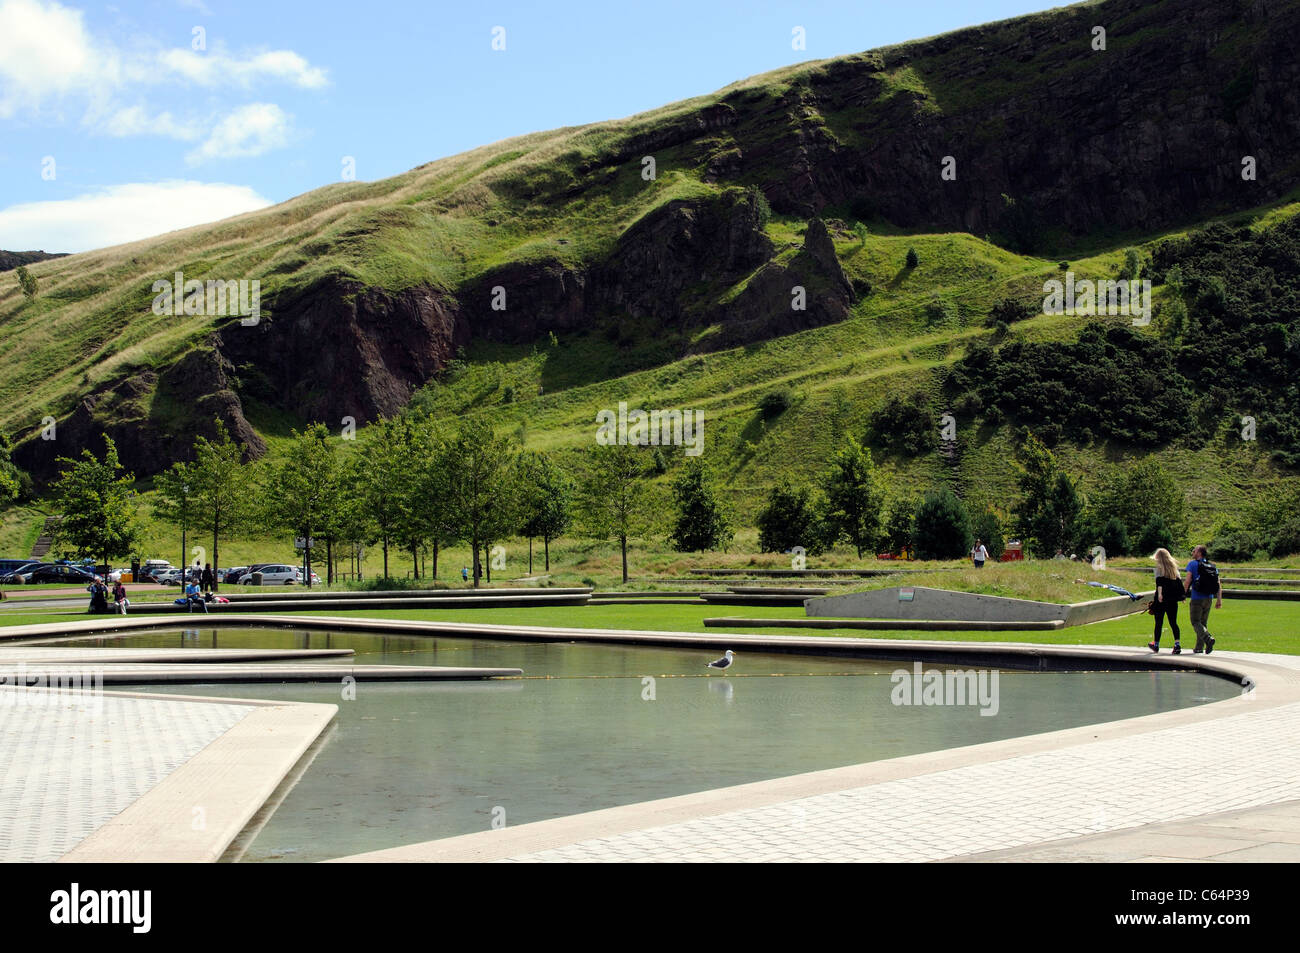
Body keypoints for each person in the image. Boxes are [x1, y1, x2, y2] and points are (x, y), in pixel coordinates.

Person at [1184, 544, 1222, 654]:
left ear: (1199, 553)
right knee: (1203, 623)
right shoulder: (1212, 566)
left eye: (1194, 551)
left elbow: (1187, 581)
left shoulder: (1192, 564)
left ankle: (1208, 639)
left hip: (1197, 598)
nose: (1193, 553)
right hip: (1209, 598)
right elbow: (1218, 584)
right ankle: (1199, 648)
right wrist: (1219, 599)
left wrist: (1183, 594)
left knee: (1195, 621)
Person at [1147, 548, 1184, 653]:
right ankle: (1177, 644)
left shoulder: (1159, 569)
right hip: (1172, 599)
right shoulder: (1174, 569)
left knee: (1159, 622)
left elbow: (1159, 583)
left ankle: (1156, 644)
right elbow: (1179, 584)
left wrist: (1159, 595)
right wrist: (1182, 596)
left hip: (1161, 599)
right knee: (1173, 622)